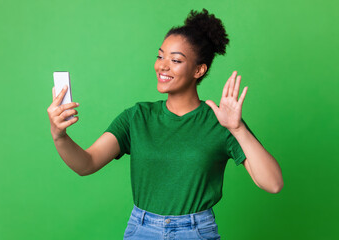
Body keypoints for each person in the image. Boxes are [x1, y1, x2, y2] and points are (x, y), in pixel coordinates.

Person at [47, 8, 283, 240]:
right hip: (141, 229)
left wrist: (238, 129)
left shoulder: (220, 121)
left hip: (196, 231)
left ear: (199, 70)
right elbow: (87, 163)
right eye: (160, 56)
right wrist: (60, 136)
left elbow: (273, 183)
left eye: (176, 60)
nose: (162, 66)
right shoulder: (137, 117)